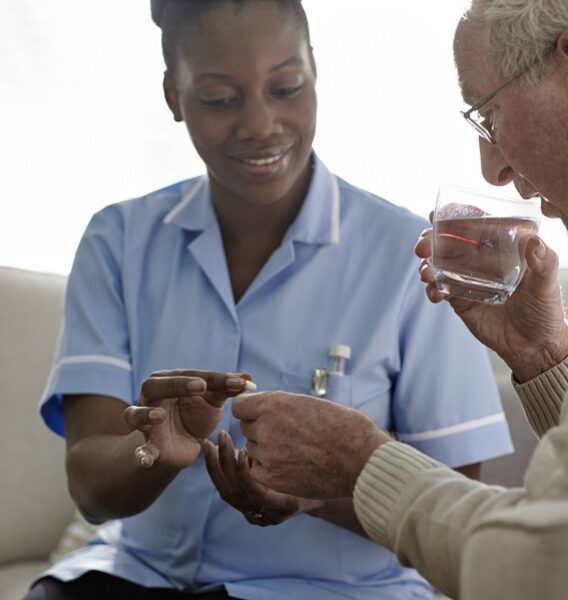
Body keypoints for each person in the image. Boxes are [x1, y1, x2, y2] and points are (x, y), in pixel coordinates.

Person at [27, 1, 513, 598]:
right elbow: (91, 491)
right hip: (133, 578)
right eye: (219, 99)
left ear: (315, 71)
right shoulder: (118, 241)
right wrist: (152, 447)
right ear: (172, 98)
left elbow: (453, 514)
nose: (261, 123)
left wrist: (319, 491)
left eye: (286, 87)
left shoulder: (409, 255)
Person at [231, 1, 568, 599]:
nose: (491, 168)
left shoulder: (387, 240)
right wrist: (545, 361)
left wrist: (360, 461)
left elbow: (534, 563)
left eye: (488, 115)